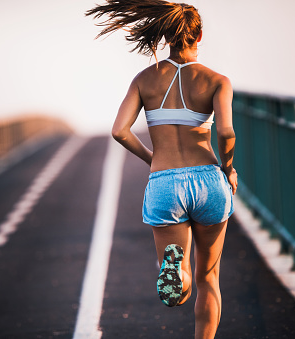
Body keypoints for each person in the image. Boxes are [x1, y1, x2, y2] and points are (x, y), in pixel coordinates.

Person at [86, 1, 238, 338]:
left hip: (165, 183)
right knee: (208, 278)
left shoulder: (145, 79)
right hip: (208, 179)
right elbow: (226, 132)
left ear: (166, 35)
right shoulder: (217, 81)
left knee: (179, 288)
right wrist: (228, 169)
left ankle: (176, 275)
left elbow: (119, 130)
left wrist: (152, 158)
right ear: (199, 34)